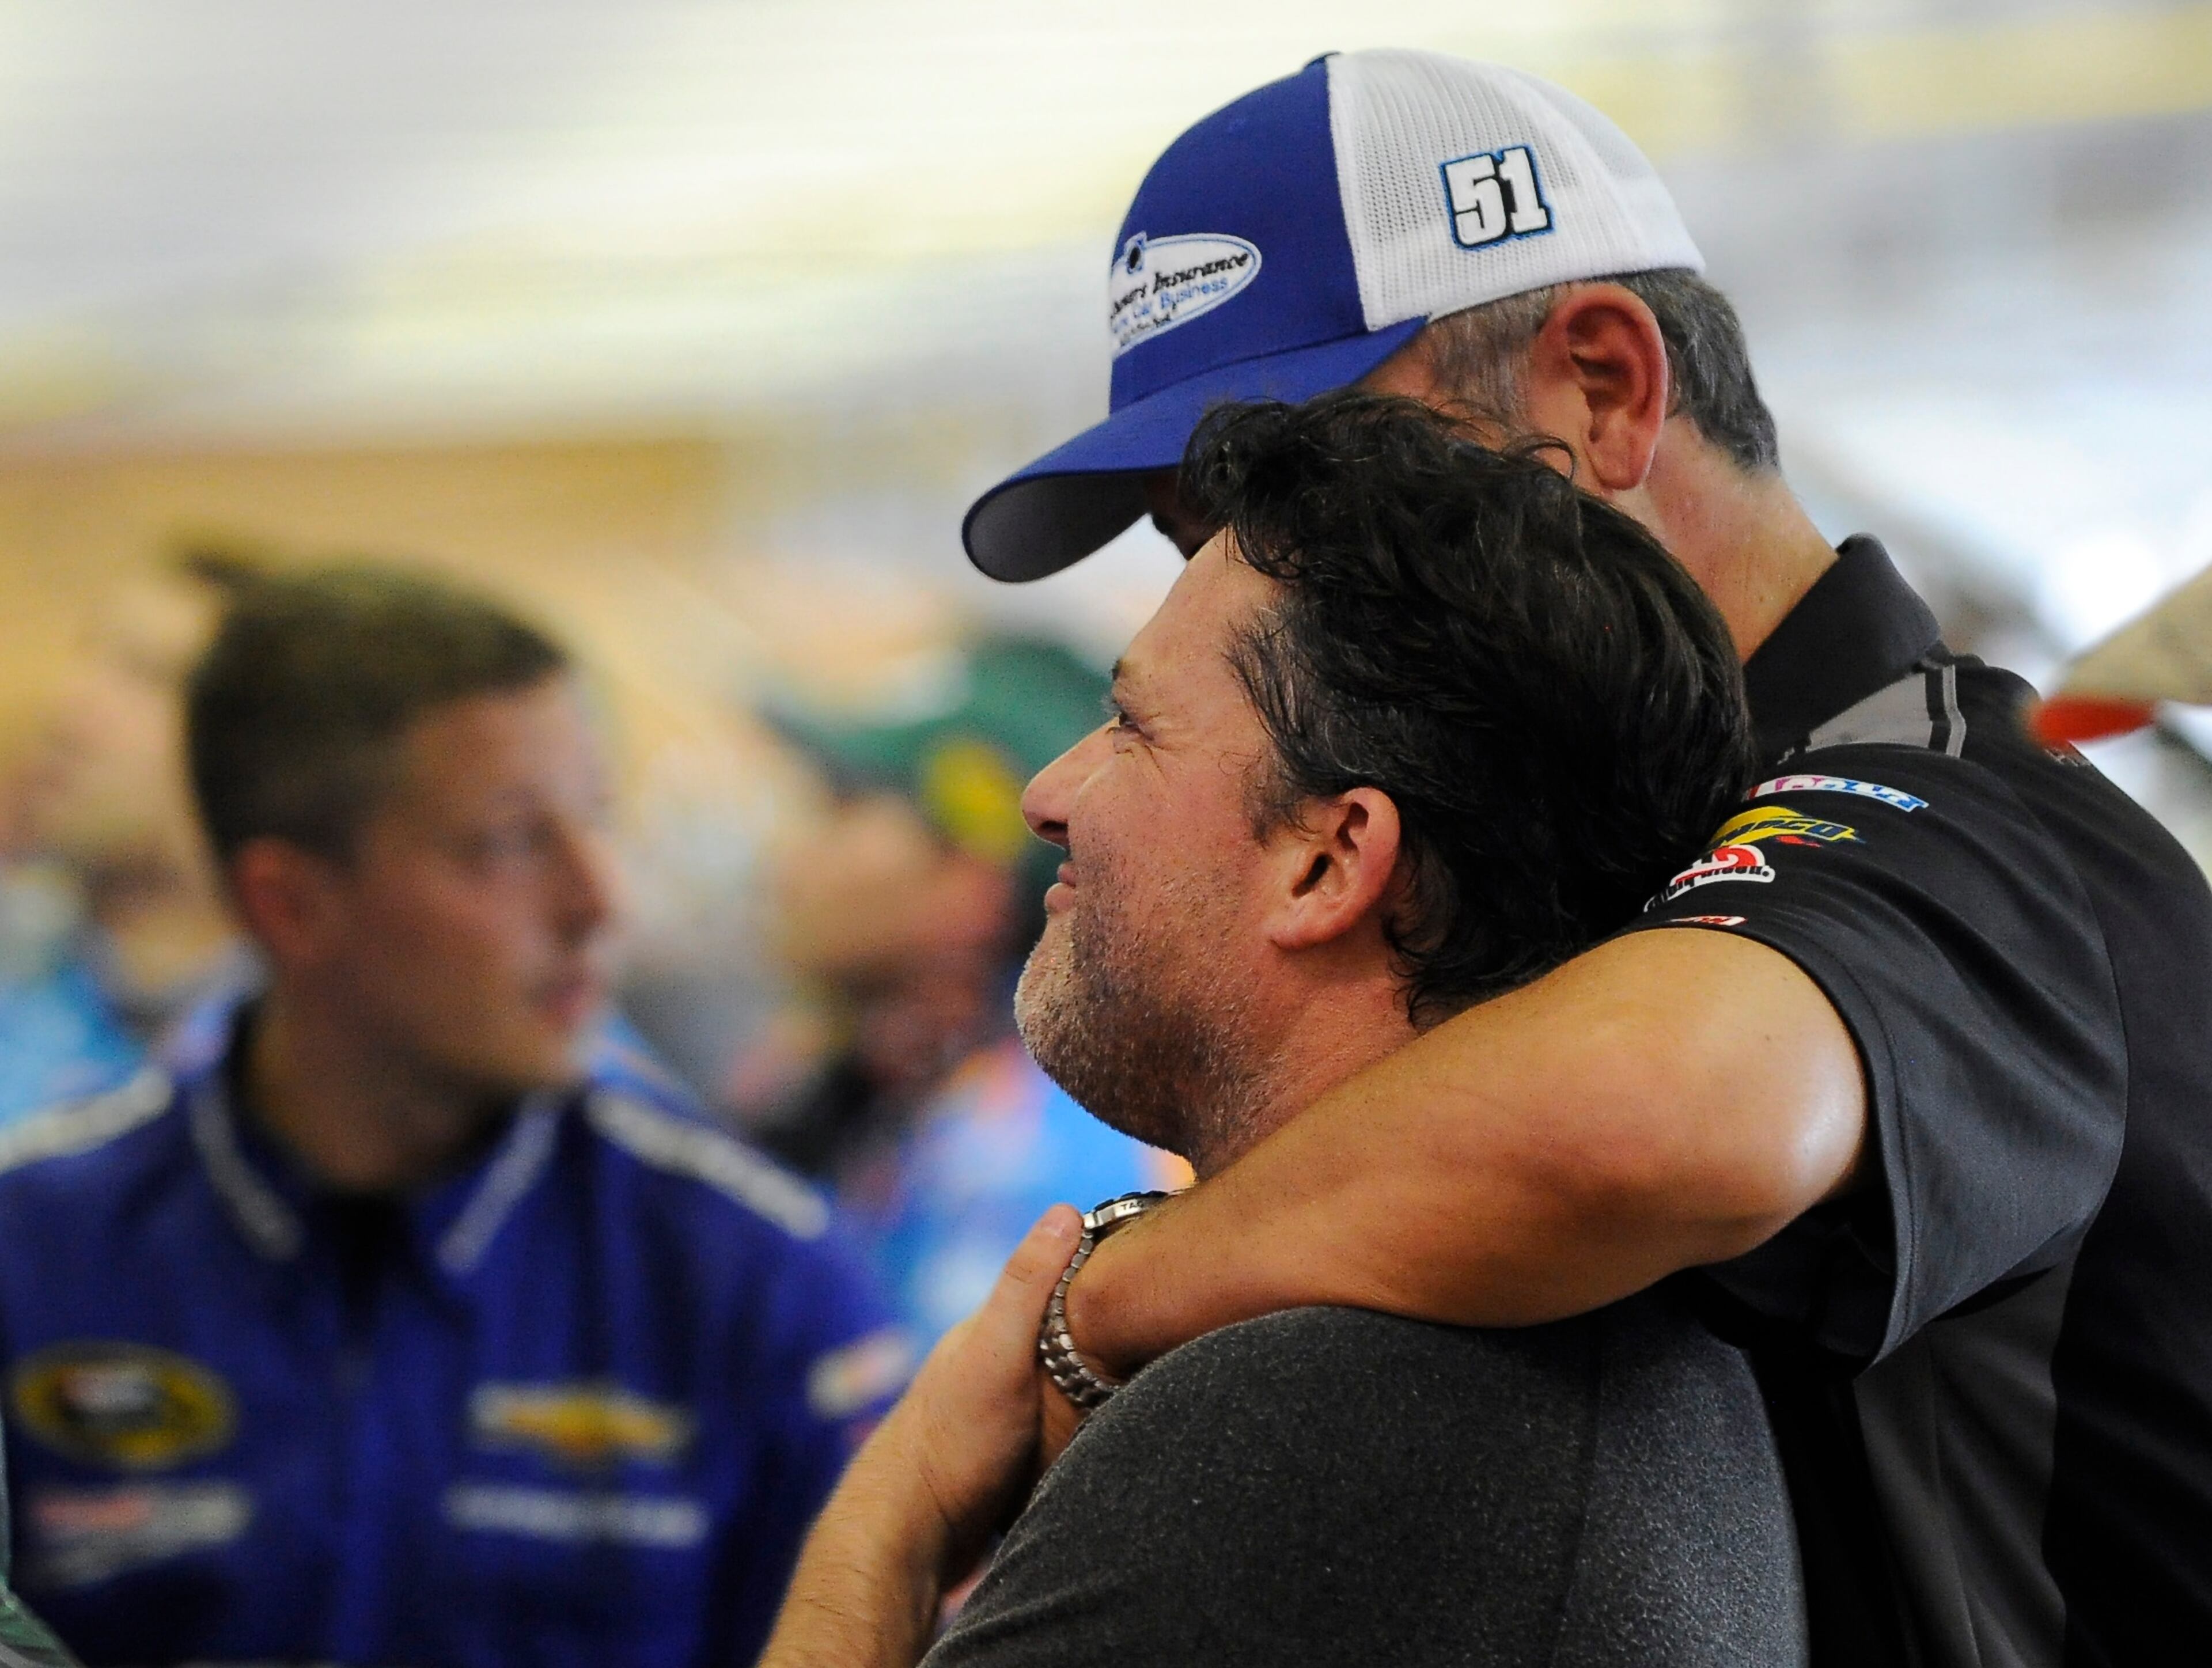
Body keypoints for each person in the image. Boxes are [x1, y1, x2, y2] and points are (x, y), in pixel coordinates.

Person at [959, 51, 2212, 1667]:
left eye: (1317, 476)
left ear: (1605, 390)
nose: (1241, 579)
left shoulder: (1958, 809)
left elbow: (1663, 1118)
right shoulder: (1615, 858)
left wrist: (1087, 1314)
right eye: (1195, 531)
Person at [762, 393, 1804, 1667]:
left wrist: (899, 1510)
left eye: (1133, 728)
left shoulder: (1300, 1426)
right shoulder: (1600, 1361)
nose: (1048, 796)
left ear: (1329, 860)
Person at [0, 564, 907, 1667]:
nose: (597, 901)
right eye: (510, 841)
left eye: (598, 824)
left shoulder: (750, 1274)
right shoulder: (31, 1251)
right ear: (291, 903)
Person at [754, 638, 1175, 1347]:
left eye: (842, 807)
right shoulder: (870, 1098)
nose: (788, 859)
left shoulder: (1032, 1160)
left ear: (969, 877)